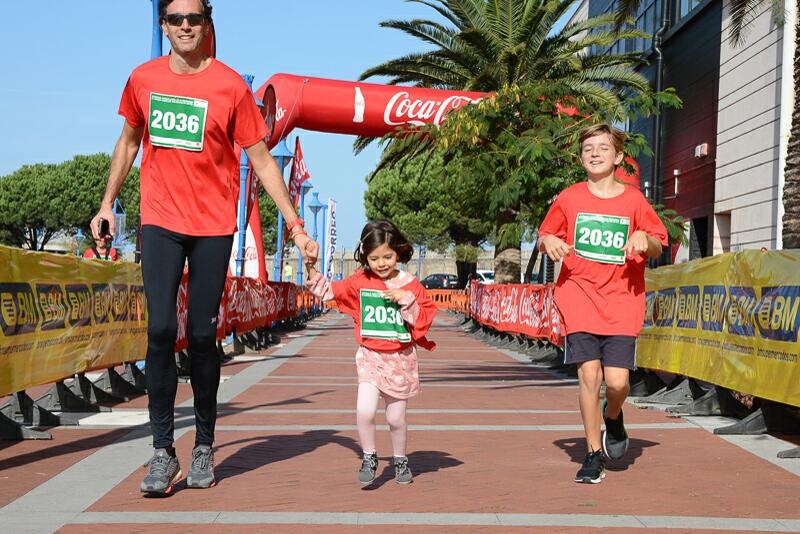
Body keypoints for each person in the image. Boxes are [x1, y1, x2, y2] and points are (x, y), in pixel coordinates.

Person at [90, 0, 319, 496]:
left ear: (207, 23)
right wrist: (108, 203)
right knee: (159, 330)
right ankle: (161, 450)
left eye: (194, 18)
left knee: (199, 334)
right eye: (176, 19)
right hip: (160, 222)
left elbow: (260, 161)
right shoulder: (143, 79)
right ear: (164, 25)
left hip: (213, 226)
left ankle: (204, 445)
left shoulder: (230, 85)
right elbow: (129, 142)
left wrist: (297, 226)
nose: (186, 26)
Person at [537, 123, 667, 484]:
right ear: (581, 158)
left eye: (603, 148)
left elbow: (659, 241)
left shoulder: (633, 201)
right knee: (589, 375)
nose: (594, 153)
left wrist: (643, 237)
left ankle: (614, 416)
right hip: (578, 295)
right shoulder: (569, 198)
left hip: (622, 300)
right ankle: (593, 453)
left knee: (618, 383)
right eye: (588, 149)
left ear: (618, 157)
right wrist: (549, 242)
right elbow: (545, 233)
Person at [305, 220, 437, 486]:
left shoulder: (411, 285)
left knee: (395, 418)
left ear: (399, 252)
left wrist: (405, 299)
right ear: (365, 256)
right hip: (369, 357)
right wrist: (310, 267)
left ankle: (400, 460)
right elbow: (329, 291)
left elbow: (424, 318)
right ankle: (369, 456)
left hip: (400, 361)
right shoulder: (360, 281)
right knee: (364, 410)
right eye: (374, 258)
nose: (382, 263)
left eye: (388, 256)